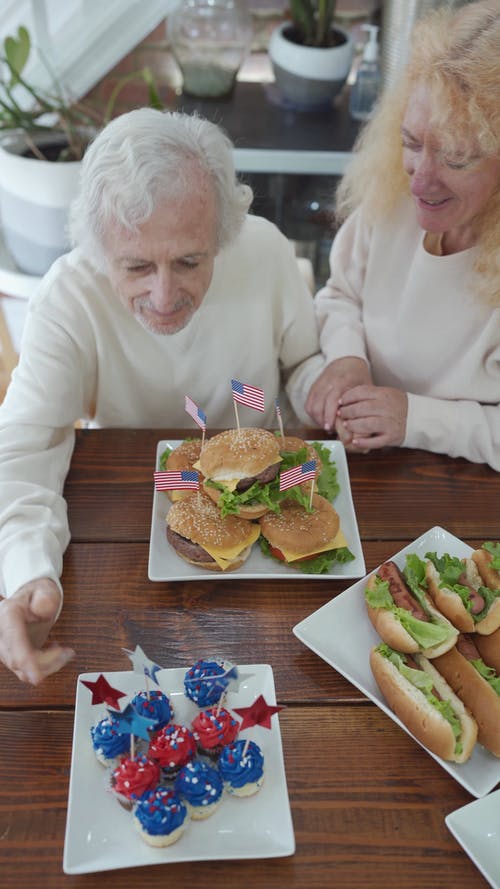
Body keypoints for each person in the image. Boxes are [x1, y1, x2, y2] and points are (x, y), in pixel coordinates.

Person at [0, 108, 324, 685]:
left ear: (223, 233)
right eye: (137, 266)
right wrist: (30, 572)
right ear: (100, 250)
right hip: (124, 543)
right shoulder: (67, 295)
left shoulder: (268, 252)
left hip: (275, 563)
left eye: (190, 261)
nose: (165, 294)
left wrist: (322, 389)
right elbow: (25, 446)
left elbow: (301, 361)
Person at [306, 0, 500, 470]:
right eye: (412, 143)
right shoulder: (392, 197)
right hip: (369, 465)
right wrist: (347, 358)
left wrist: (415, 418)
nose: (418, 182)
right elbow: (341, 294)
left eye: (456, 158)